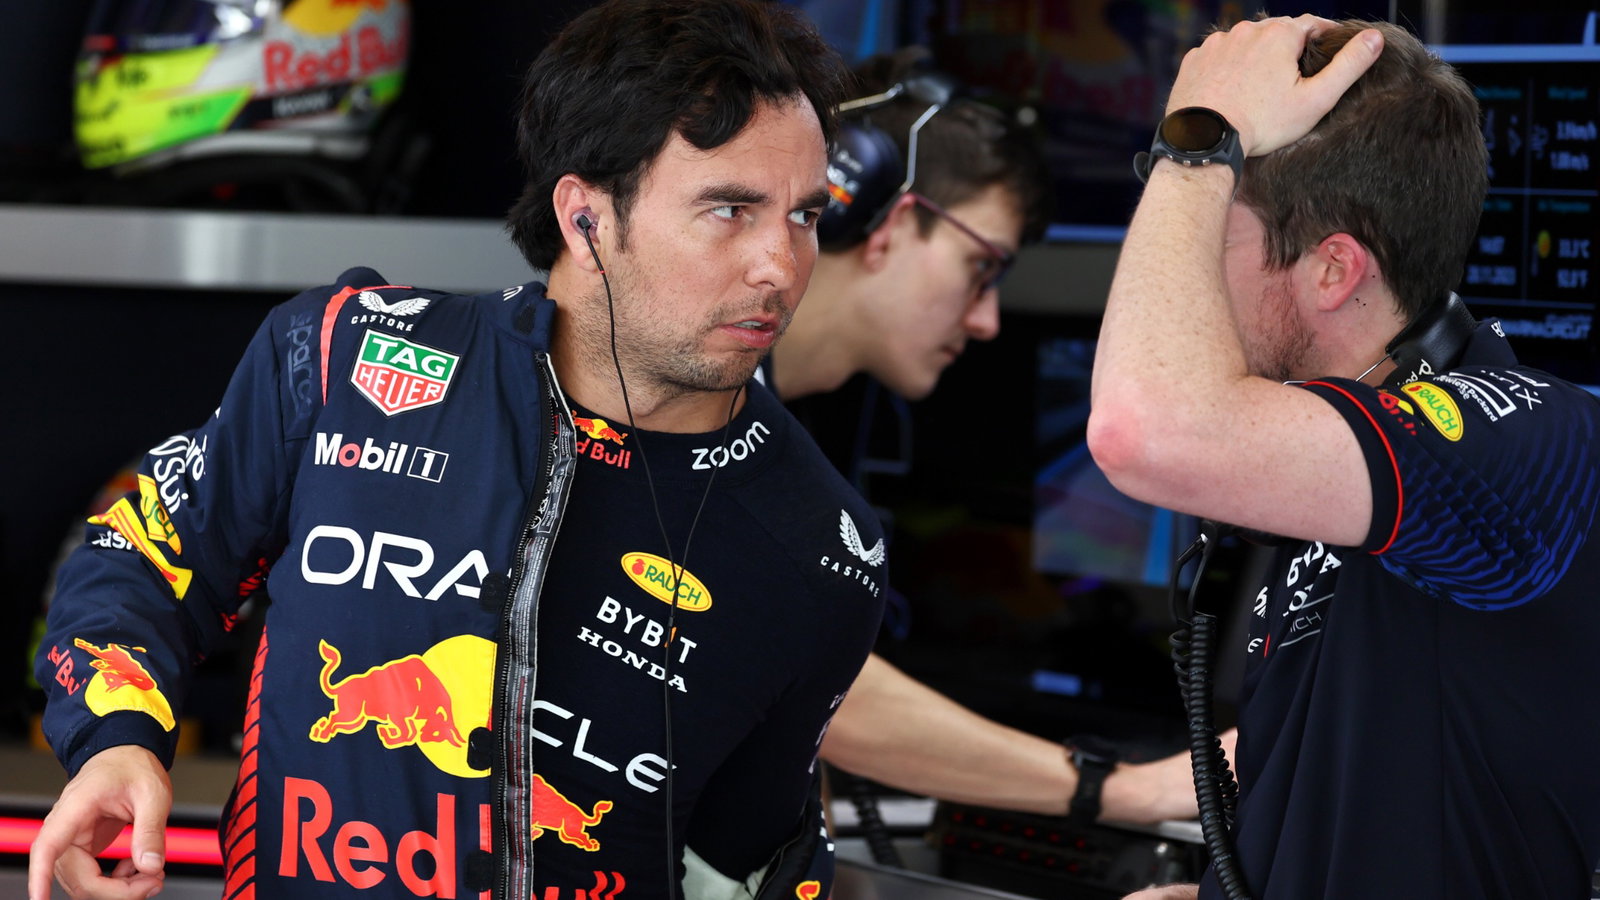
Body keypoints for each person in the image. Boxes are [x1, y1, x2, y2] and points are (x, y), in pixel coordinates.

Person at [29, 2, 889, 899]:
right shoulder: (343, 357)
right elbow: (140, 556)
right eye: (730, 210)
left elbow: (745, 866)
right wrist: (118, 741)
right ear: (586, 217)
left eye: (803, 217)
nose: (780, 266)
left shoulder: (822, 549)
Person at [1089, 15, 1600, 899]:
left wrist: (1198, 145)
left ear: (1333, 270)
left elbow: (1144, 430)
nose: (1178, 287)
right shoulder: (1341, 471)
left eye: (1212, 235)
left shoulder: (1529, 444)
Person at [781, 49, 1225, 825]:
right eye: (979, 267)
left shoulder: (781, 424)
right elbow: (809, 684)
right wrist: (1124, 788)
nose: (987, 320)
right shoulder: (693, 407)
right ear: (888, 220)